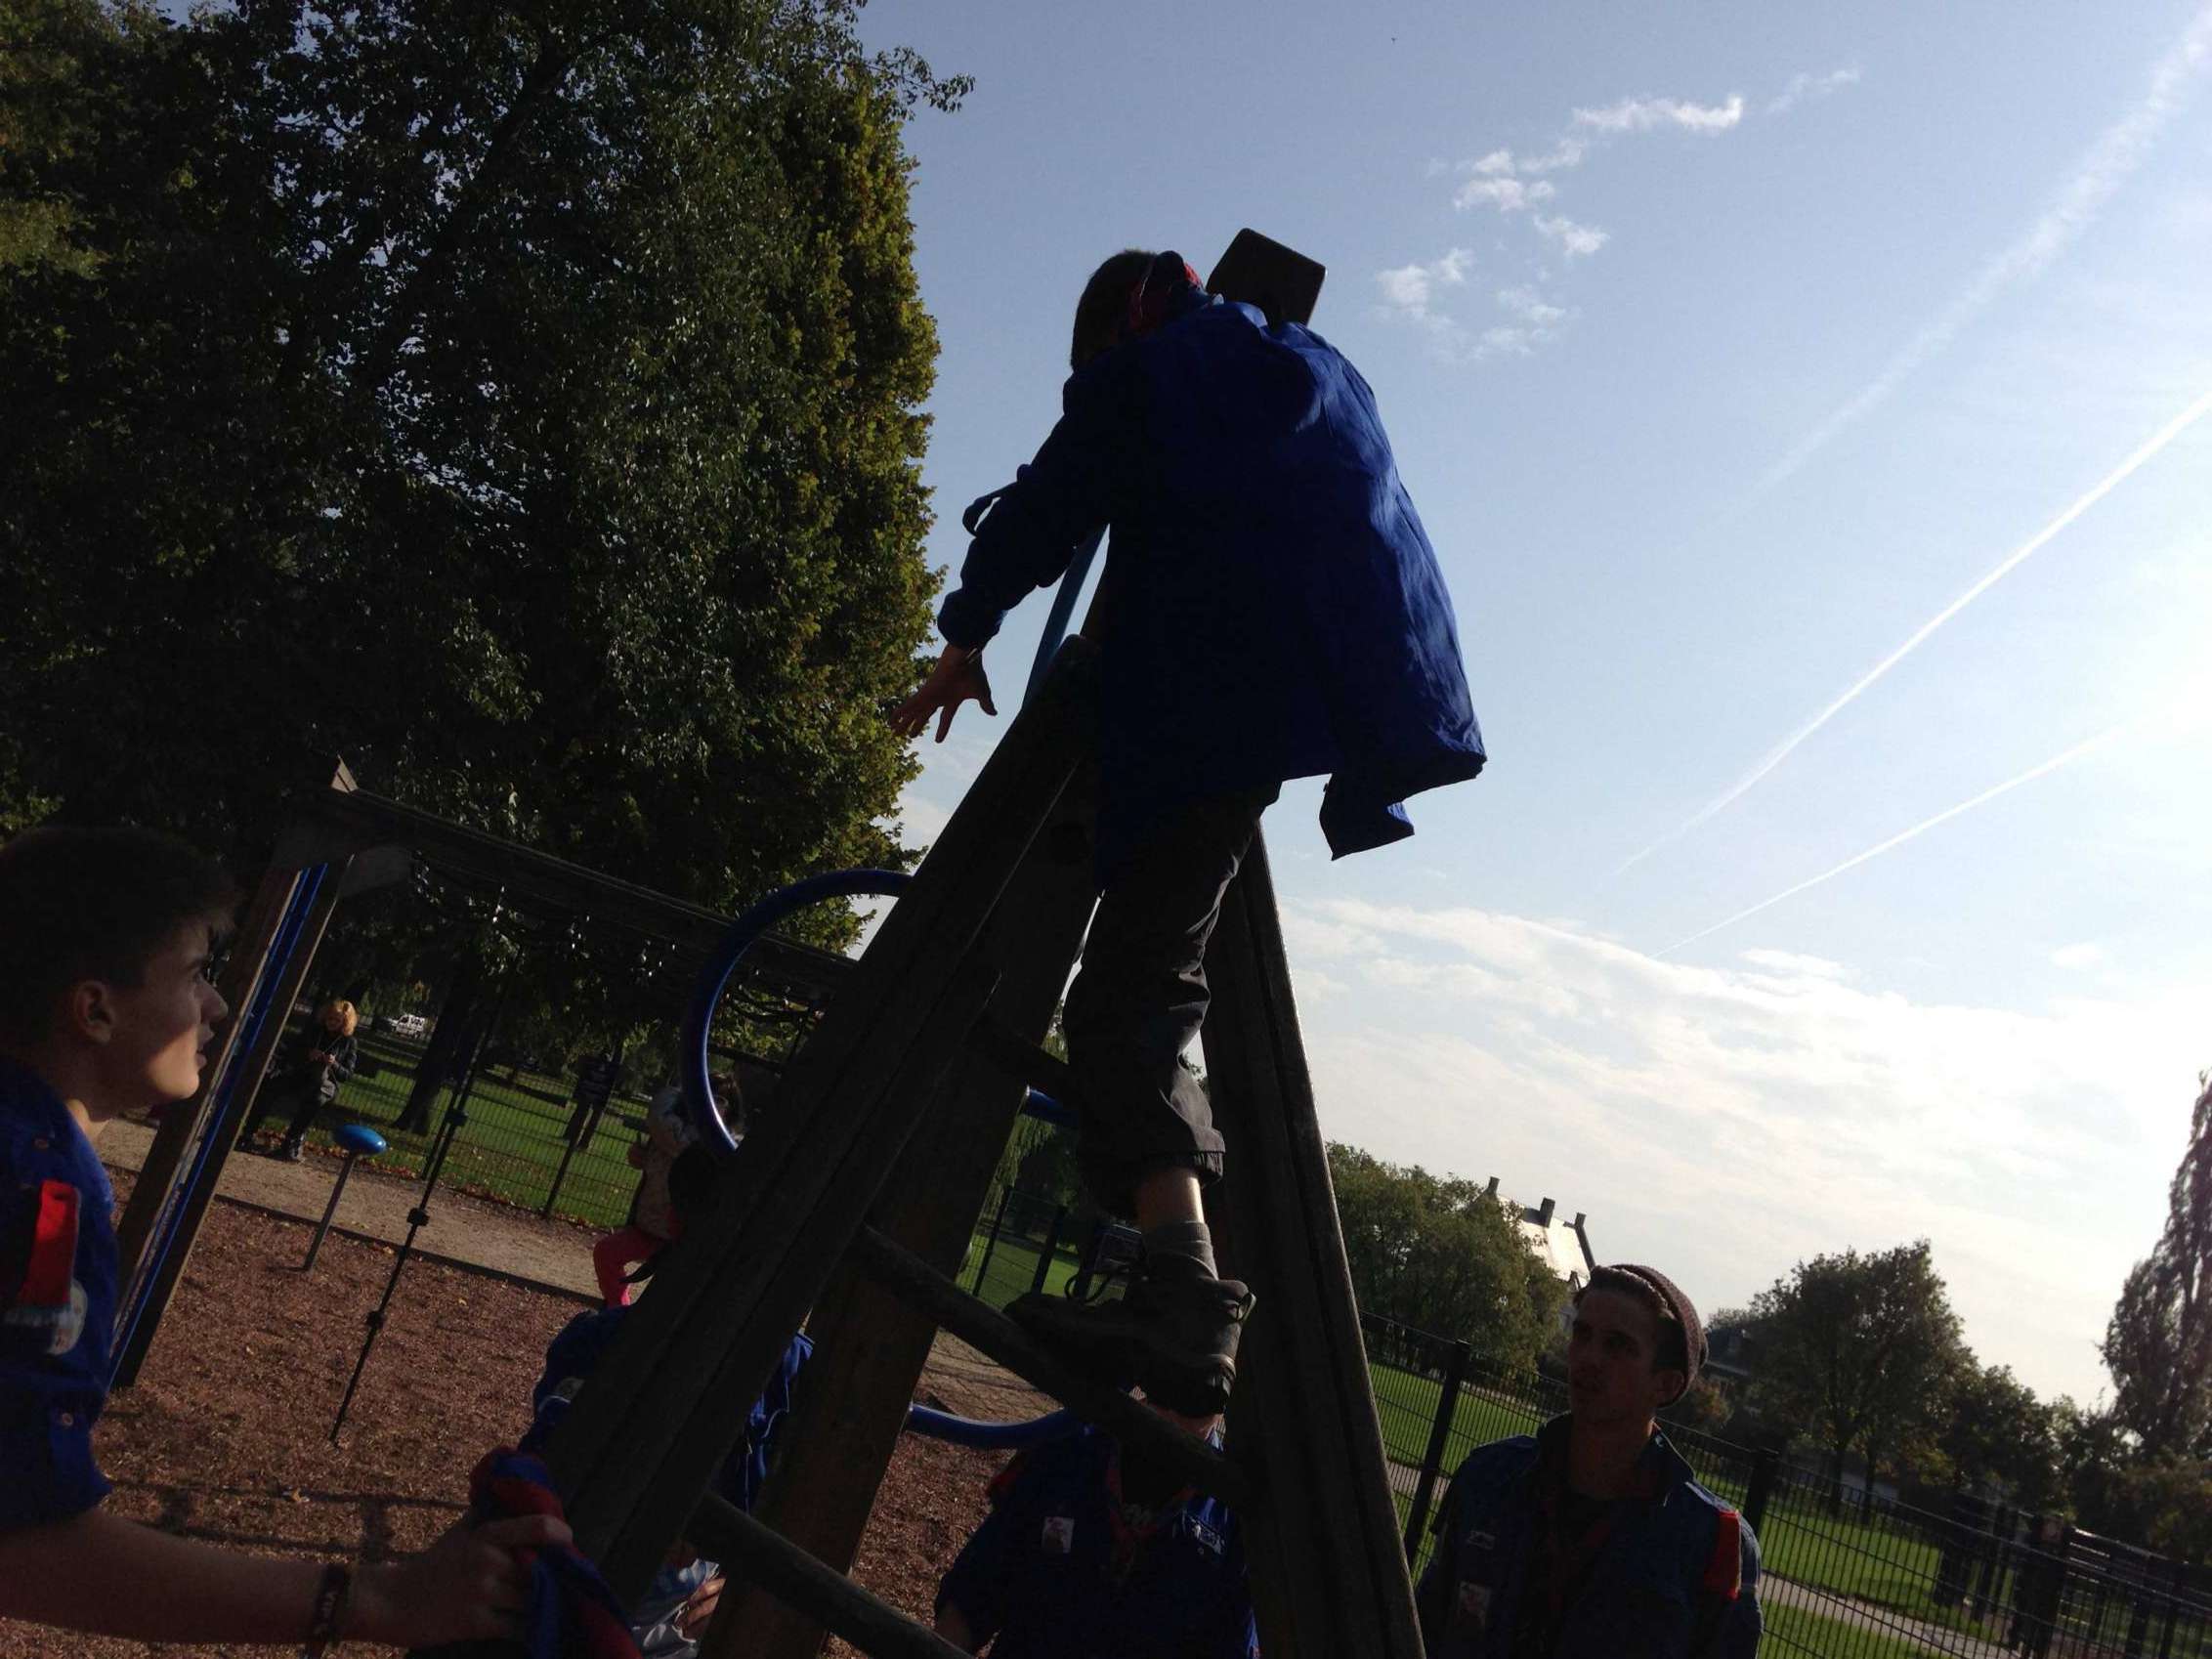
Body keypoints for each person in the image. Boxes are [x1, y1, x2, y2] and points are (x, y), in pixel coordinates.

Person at [891, 247, 1484, 1415]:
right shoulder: (1308, 365)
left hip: (1205, 696)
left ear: (1119, 324)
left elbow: (1046, 508)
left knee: (1127, 997)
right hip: (1300, 697)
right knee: (1144, 978)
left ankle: (1187, 1293)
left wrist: (965, 631)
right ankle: (1171, 1277)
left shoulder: (1154, 369)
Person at [0, 824, 567, 1648]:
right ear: (96, 1010)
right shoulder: (47, 1200)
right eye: (196, 974)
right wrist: (379, 1600)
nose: (217, 1005)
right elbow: (26, 1539)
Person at [531, 1144, 809, 1656]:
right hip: (578, 1587)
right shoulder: (600, 1347)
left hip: (677, 1606)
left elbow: (809, 1519)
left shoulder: (792, 1369)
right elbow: (546, 1477)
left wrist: (743, 1581)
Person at [1415, 1265, 1763, 1658]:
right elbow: (1419, 1628)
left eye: (1617, 1346)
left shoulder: (1712, 1540)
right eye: (1582, 1335)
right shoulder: (1489, 1477)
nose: (1589, 1358)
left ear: (1666, 1385)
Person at [932, 1398, 1257, 1659]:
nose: (1175, 1414)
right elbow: (970, 1600)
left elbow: (1231, 1645)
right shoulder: (1068, 1448)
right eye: (1169, 1387)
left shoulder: (1234, 1517)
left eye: (1196, 1396)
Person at [591, 1072, 740, 1308]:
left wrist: (677, 1090)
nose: (707, 1104)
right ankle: (617, 1310)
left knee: (670, 1290)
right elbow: (660, 1155)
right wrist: (641, 1157)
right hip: (649, 1224)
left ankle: (646, 1320)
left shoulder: (716, 1143)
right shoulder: (678, 1127)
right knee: (606, 1253)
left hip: (681, 1237)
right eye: (703, 1095)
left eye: (718, 1100)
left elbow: (664, 1126)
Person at [241, 997, 360, 1162]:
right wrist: (308, 1054)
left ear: (345, 1022)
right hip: (301, 1075)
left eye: (336, 1020)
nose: (331, 1023)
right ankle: (248, 1133)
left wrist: (334, 1064)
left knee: (315, 1100)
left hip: (325, 1084)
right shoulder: (314, 1032)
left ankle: (290, 1144)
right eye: (329, 1018)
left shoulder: (348, 1042)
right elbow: (292, 1053)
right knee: (272, 1086)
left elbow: (347, 1075)